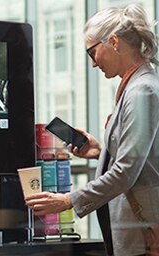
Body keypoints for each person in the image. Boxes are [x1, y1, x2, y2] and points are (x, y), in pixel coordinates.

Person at [25, 4, 159, 256]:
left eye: (92, 52)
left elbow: (126, 171)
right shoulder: (136, 88)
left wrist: (67, 200)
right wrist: (101, 151)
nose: (93, 64)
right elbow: (143, 158)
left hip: (143, 235)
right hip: (136, 231)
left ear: (115, 42)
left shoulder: (142, 91)